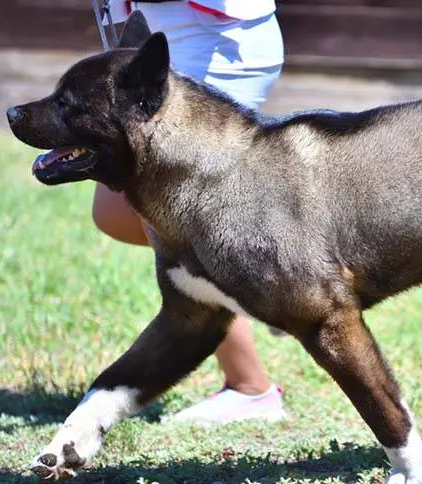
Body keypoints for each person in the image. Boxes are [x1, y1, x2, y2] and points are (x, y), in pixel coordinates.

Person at [93, 0, 286, 424]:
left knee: (174, 221)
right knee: (113, 212)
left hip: (218, 44)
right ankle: (268, 284)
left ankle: (250, 387)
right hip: (162, 37)